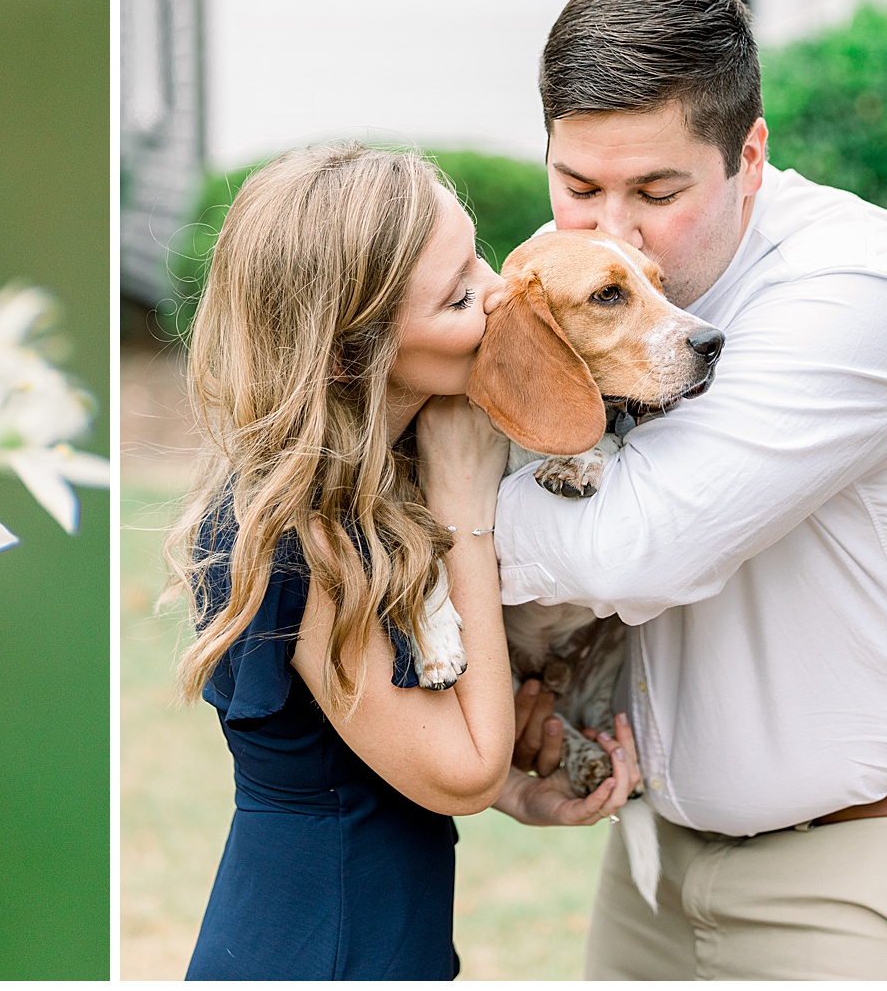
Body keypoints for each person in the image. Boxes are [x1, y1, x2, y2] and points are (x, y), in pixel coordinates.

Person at [494, 0, 887, 979]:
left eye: (658, 190)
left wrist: (445, 522)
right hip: (658, 872)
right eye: (578, 186)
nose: (612, 232)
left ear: (751, 155)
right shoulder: (581, 285)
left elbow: (640, 548)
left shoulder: (854, 290)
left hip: (873, 875)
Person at [167, 143, 640, 980]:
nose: (500, 295)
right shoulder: (300, 536)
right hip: (325, 951)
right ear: (352, 353)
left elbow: (365, 745)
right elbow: (461, 768)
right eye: (460, 296)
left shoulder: (363, 490)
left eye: (478, 258)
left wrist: (514, 792)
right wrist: (465, 513)